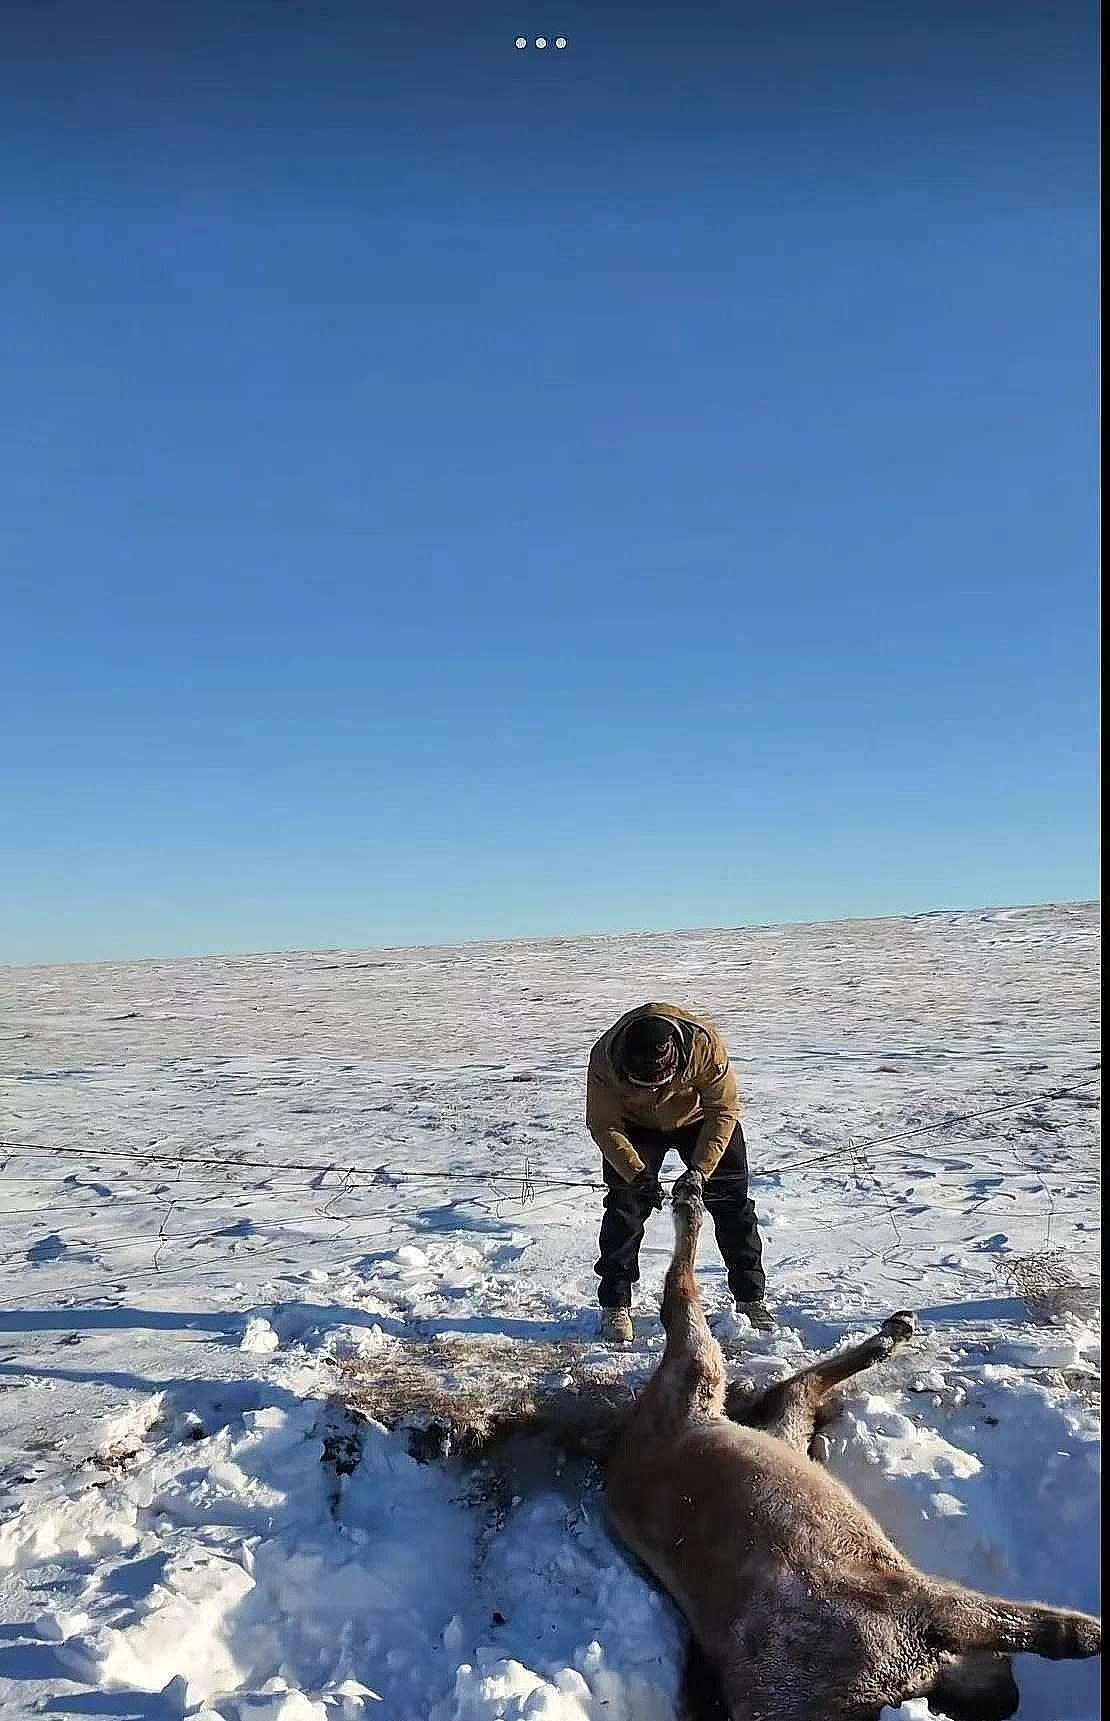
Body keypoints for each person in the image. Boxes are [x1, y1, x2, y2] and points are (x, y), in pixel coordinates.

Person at [585, 1001, 772, 1344]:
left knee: (732, 1203)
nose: (654, 1092)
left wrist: (701, 1170)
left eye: (659, 1082)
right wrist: (636, 1175)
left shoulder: (704, 1045)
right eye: (642, 1084)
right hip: (635, 1125)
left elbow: (723, 1109)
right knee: (624, 1208)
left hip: (699, 1120)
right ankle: (615, 1304)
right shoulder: (604, 1059)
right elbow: (604, 1124)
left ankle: (750, 1299)